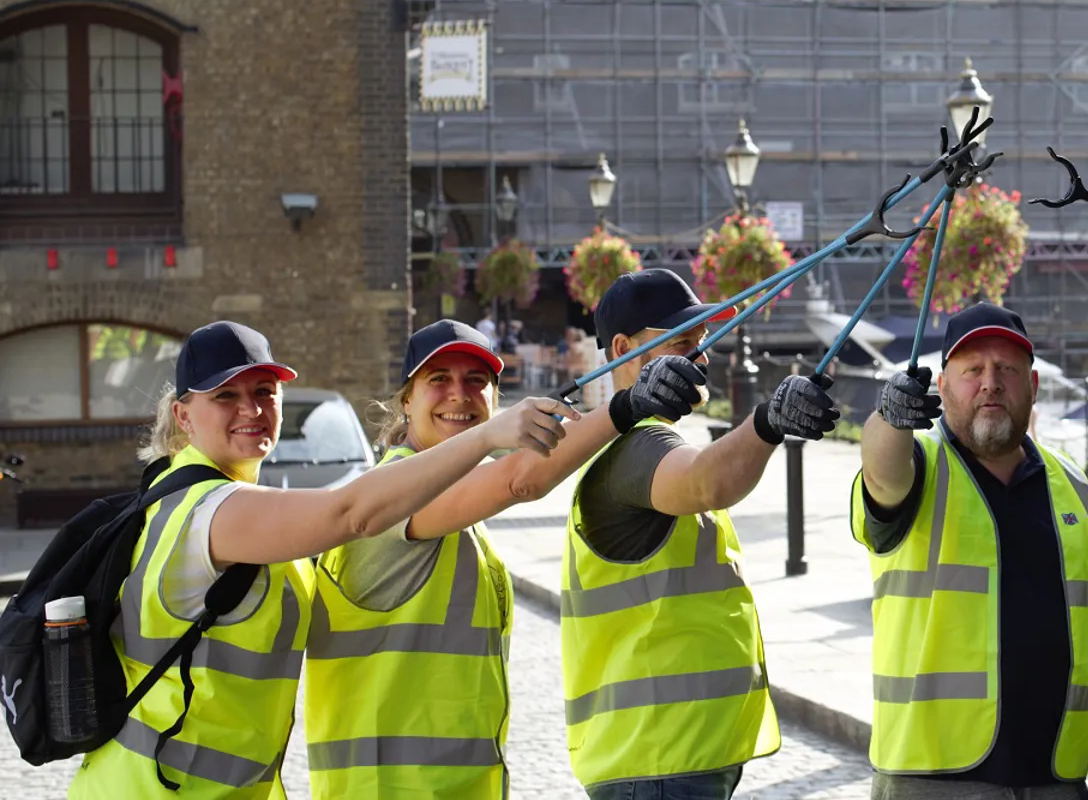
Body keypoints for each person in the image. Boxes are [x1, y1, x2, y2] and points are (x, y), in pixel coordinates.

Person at [70, 321, 572, 799]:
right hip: (156, 788)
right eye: (226, 395)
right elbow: (351, 512)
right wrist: (487, 436)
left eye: (265, 391)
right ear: (182, 416)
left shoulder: (214, 500)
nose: (251, 408)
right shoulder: (209, 510)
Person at [303, 320, 691, 799]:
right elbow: (518, 479)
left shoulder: (459, 501)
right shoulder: (394, 490)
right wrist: (624, 405)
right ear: (406, 399)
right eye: (438, 379)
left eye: (476, 381)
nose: (459, 395)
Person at [561, 269, 840, 799]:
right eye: (685, 343)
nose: (703, 355)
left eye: (704, 341)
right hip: (658, 761)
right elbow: (707, 480)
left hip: (668, 757)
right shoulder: (635, 446)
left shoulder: (648, 441)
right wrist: (767, 423)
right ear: (624, 349)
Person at [857, 303, 1088, 800]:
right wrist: (889, 418)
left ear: (1032, 385)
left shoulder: (1070, 482)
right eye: (972, 370)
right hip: (934, 779)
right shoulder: (920, 467)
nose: (990, 382)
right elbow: (881, 467)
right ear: (942, 386)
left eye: (1006, 369)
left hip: (1055, 776)